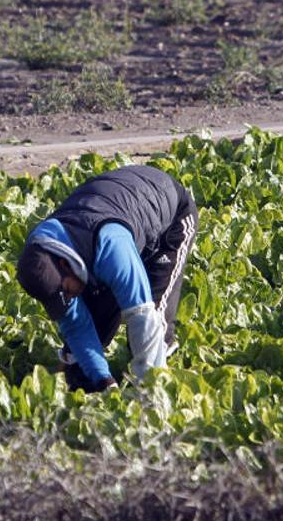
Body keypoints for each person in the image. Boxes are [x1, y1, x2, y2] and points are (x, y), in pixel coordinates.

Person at [16, 165, 198, 392]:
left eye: (66, 290)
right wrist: (105, 382)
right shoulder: (42, 256)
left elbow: (142, 314)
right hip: (112, 211)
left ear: (65, 264)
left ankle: (157, 390)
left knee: (154, 325)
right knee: (88, 344)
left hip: (169, 217)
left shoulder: (111, 246)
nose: (69, 296)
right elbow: (76, 325)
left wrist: (147, 388)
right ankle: (82, 377)